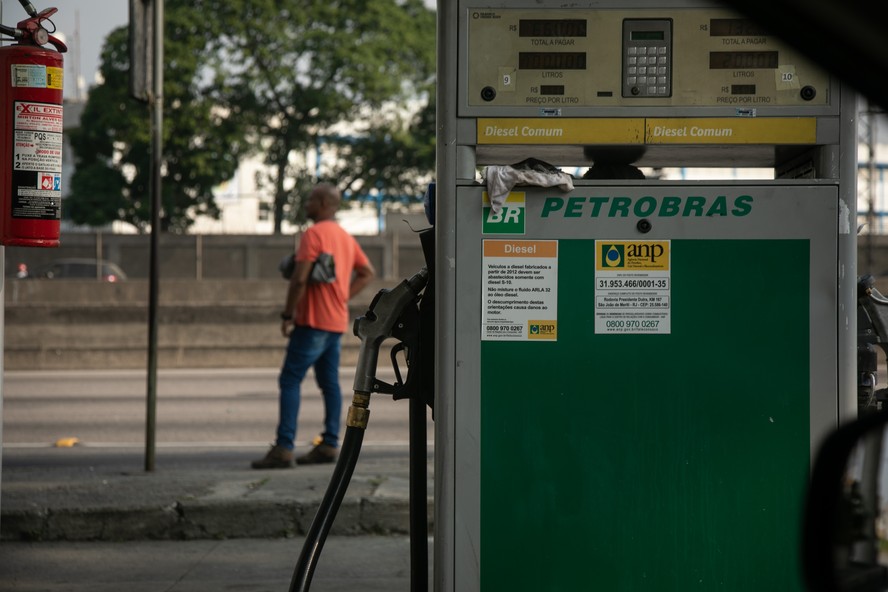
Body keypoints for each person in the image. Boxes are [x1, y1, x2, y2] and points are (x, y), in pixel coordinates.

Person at [252, 183, 375, 469]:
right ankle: (330, 444)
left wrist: (287, 315)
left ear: (321, 203)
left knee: (290, 380)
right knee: (329, 383)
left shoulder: (313, 235)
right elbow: (367, 273)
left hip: (312, 322)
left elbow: (299, 279)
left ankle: (284, 447)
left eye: (309, 199)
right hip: (335, 321)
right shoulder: (344, 237)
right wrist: (341, 296)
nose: (306, 204)